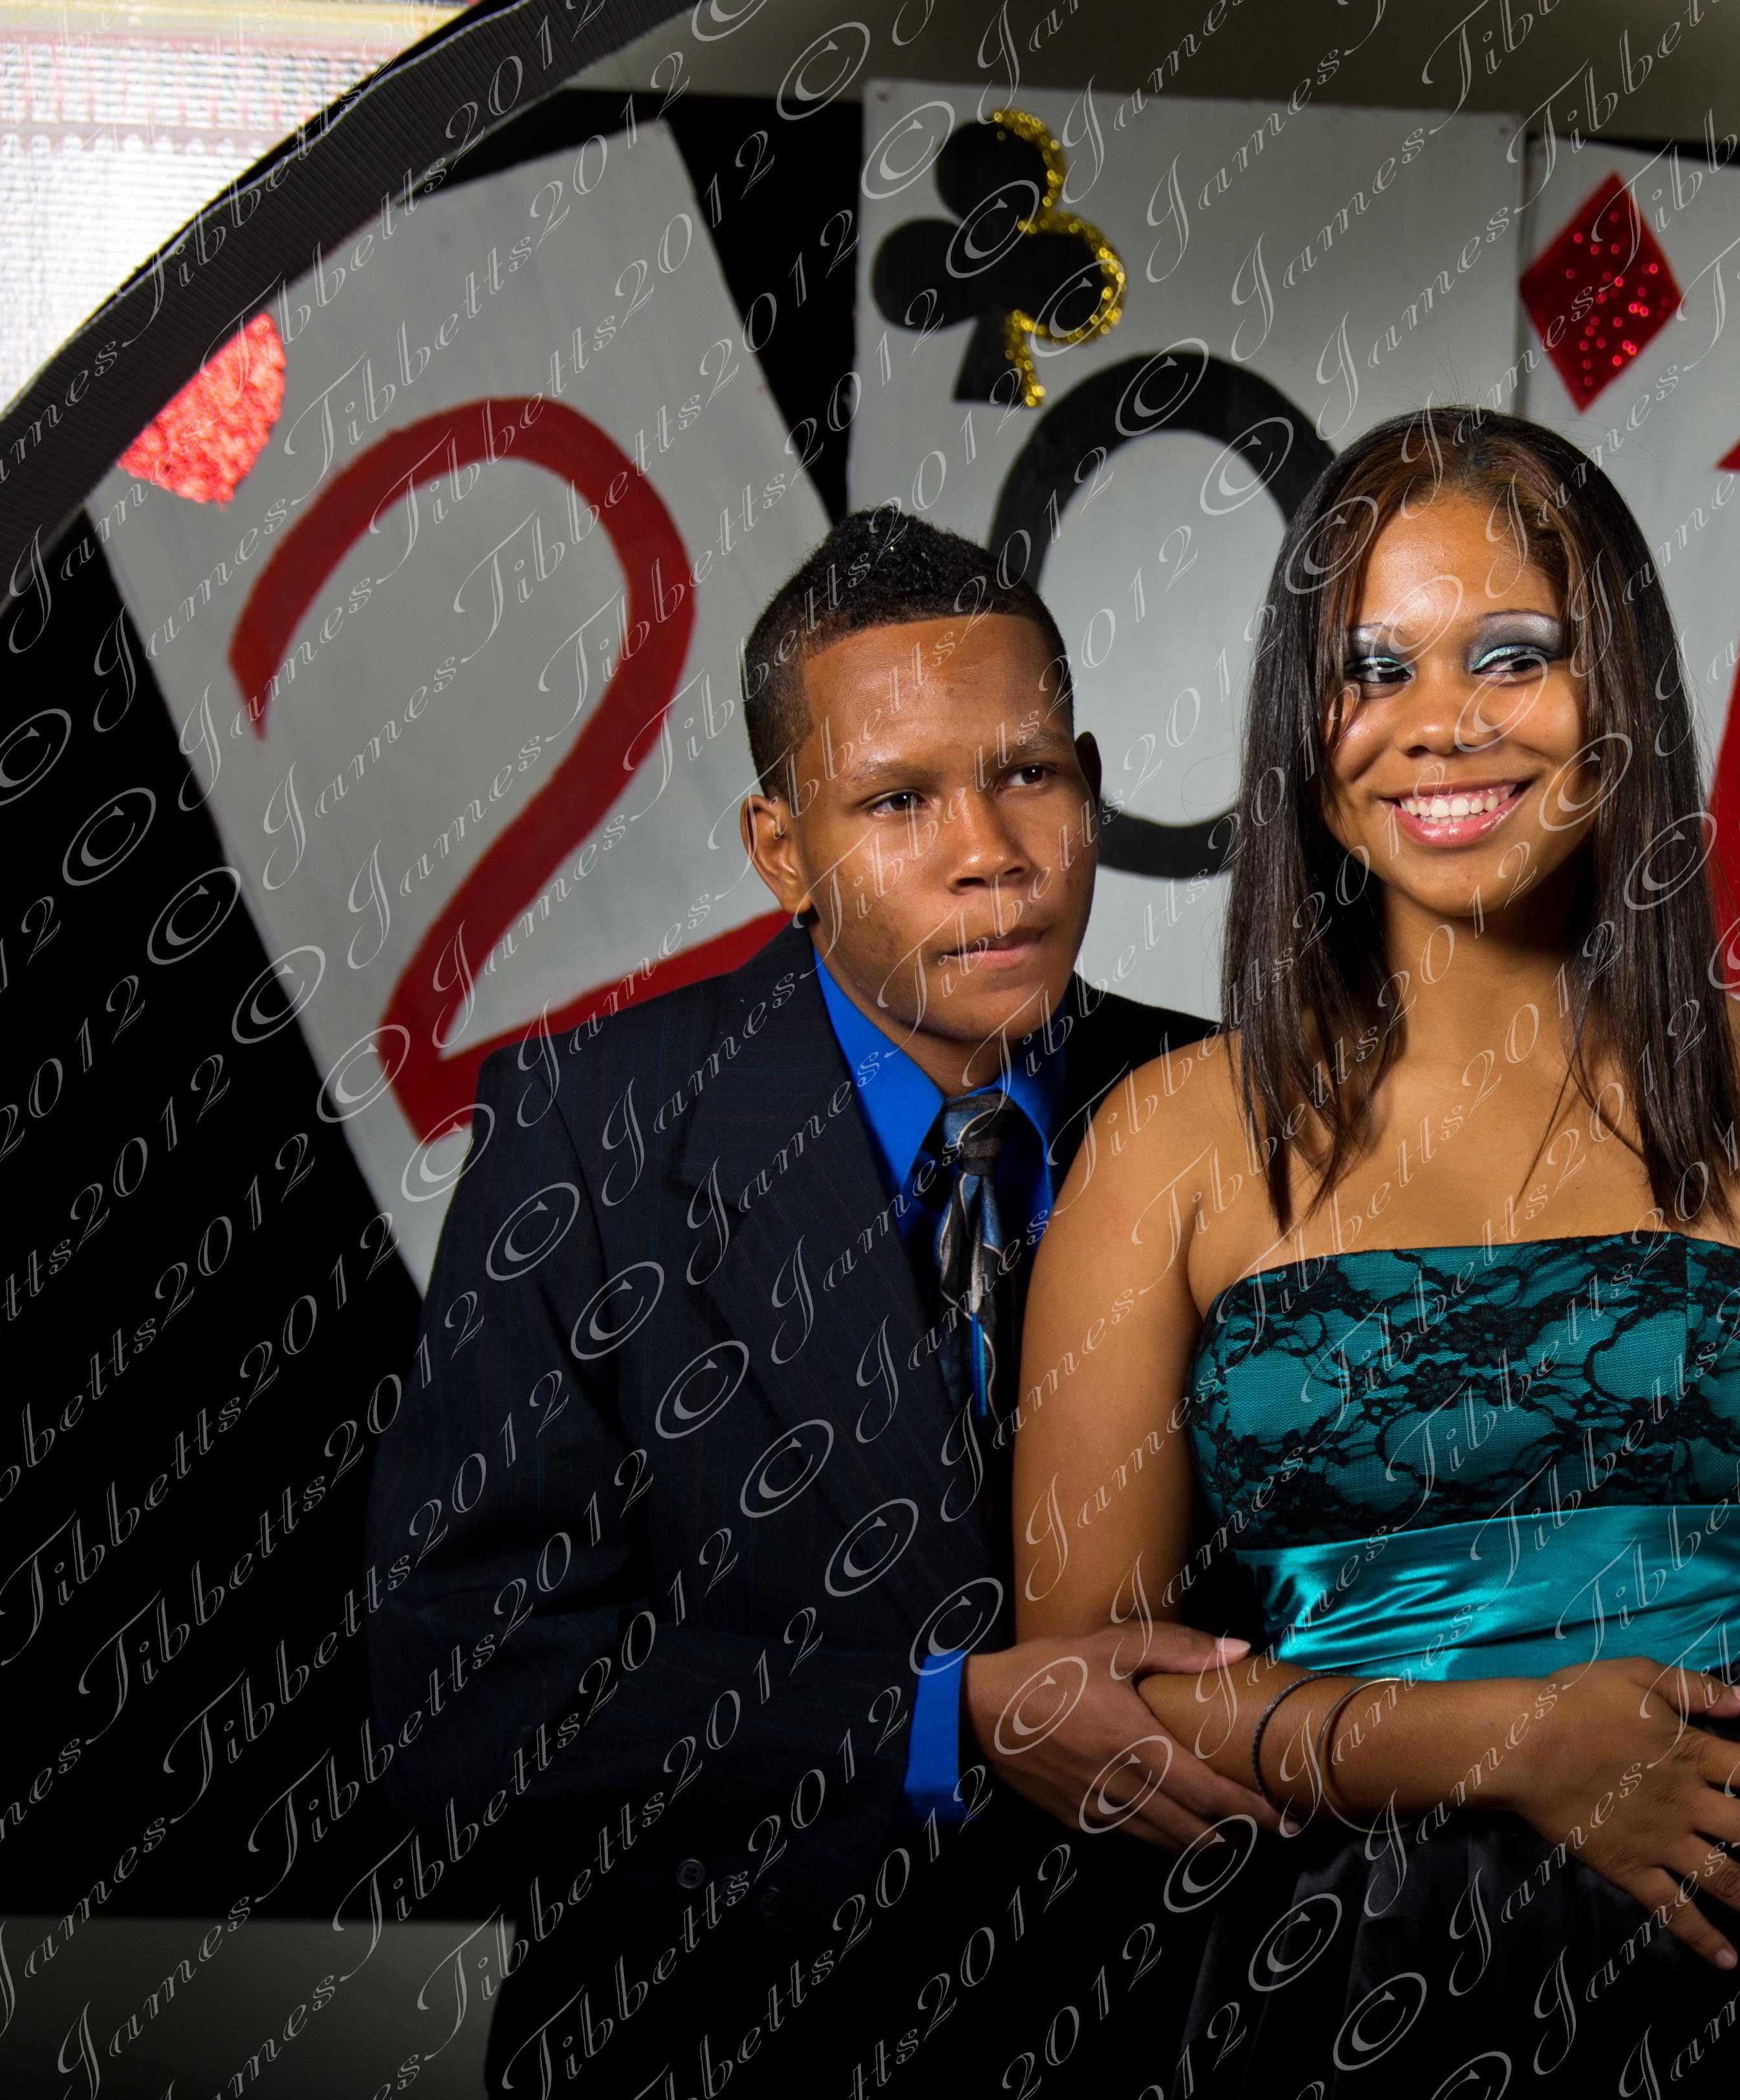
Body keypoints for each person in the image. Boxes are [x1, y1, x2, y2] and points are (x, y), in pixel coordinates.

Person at [1010, 408, 1740, 2097]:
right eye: (1373, 669)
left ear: (1618, 699)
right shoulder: (1167, 1143)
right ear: (1304, 734)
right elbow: (1088, 1694)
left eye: (1513, 655)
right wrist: (1508, 1744)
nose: (1443, 722)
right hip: (1344, 1989)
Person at [363, 509, 1281, 2097]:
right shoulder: (588, 1130)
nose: (988, 850)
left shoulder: (1244, 1102)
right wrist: (940, 1722)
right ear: (780, 848)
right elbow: (465, 1699)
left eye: (1027, 775)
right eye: (898, 800)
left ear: (1092, 785)